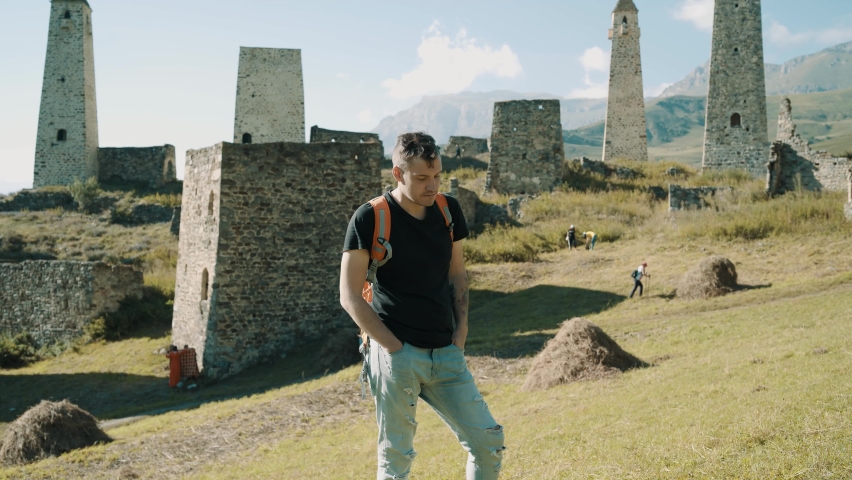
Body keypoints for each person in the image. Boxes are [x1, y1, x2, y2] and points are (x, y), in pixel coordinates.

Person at [340, 132, 505, 479]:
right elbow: (350, 295)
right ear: (398, 174)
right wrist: (394, 348)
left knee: (488, 442)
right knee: (396, 460)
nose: (433, 186)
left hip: (446, 351)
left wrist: (461, 331)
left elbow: (457, 274)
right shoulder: (370, 218)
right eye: (422, 178)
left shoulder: (448, 210)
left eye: (437, 176)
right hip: (396, 354)